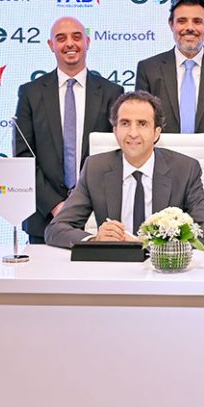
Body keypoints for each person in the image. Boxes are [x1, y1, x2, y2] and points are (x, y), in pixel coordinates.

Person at [45, 91, 204, 248]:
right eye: (125, 123)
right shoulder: (95, 168)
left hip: (165, 272)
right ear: (115, 130)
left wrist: (157, 243)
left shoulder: (185, 169)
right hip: (114, 269)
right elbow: (56, 229)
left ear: (156, 132)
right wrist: (95, 240)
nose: (133, 133)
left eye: (142, 124)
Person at [135, 0, 204, 246]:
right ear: (171, 25)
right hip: (159, 177)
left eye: (197, 21)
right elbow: (143, 126)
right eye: (182, 21)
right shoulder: (149, 69)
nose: (189, 28)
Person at [14, 16, 123, 244]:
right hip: (44, 219)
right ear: (51, 45)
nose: (70, 44)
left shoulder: (112, 92)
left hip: (100, 218)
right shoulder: (31, 93)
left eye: (77, 36)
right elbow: (23, 156)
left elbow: (117, 152)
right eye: (61, 38)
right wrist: (55, 205)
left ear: (88, 41)